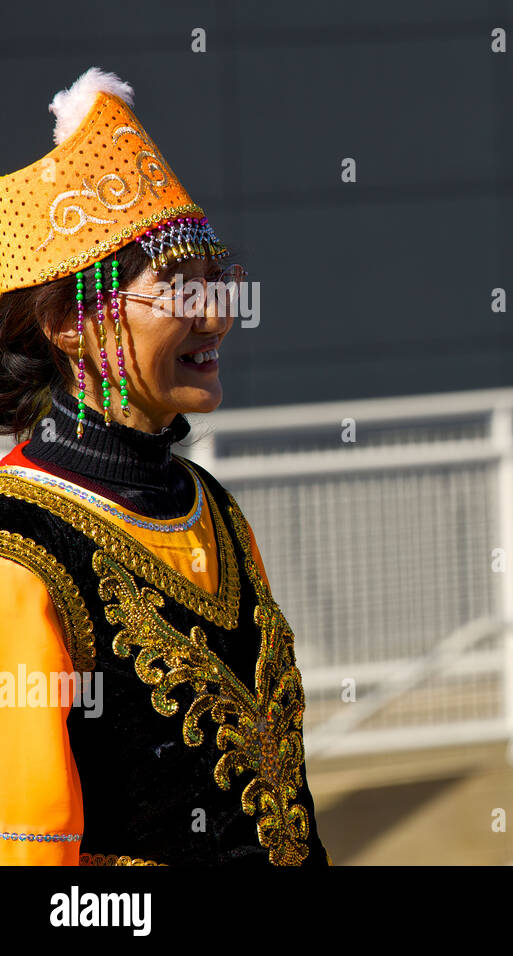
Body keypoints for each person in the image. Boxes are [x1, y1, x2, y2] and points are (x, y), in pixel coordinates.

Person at [0, 67, 329, 865]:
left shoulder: (208, 504)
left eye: (215, 278)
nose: (215, 311)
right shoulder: (17, 551)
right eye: (175, 287)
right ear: (67, 323)